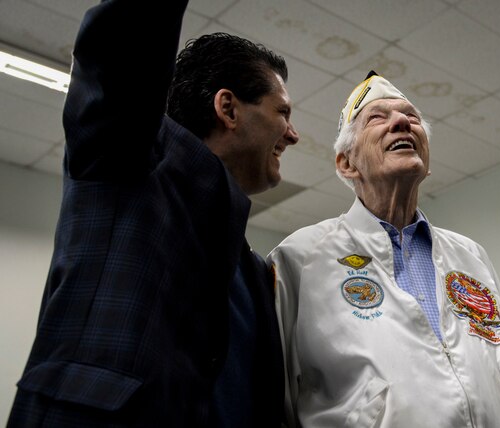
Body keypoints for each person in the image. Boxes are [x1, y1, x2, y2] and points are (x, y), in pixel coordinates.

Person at [8, 0, 298, 426]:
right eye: (283, 113)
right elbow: (125, 48)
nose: (292, 134)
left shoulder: (253, 272)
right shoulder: (129, 158)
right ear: (228, 108)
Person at [268, 71, 500, 427]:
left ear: (426, 160)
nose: (402, 122)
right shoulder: (301, 258)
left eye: (411, 117)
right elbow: (272, 405)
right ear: (347, 163)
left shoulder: (471, 256)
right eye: (377, 117)